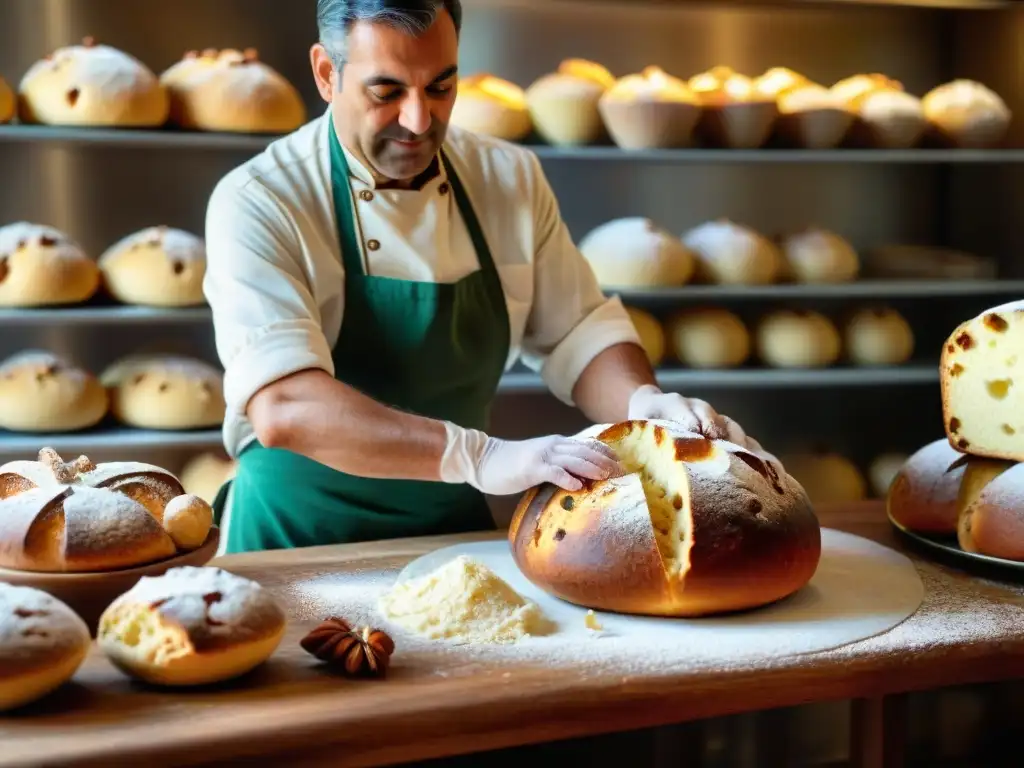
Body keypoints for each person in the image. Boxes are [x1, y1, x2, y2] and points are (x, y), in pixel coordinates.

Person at [204, 0, 750, 554]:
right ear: (326, 73)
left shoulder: (507, 177)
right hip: (295, 537)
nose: (418, 122)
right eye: (386, 92)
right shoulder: (261, 199)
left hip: (449, 529)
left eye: (440, 88)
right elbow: (285, 407)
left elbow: (578, 329)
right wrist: (480, 456)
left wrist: (640, 401)